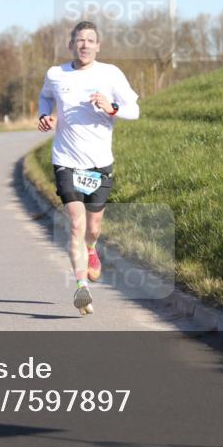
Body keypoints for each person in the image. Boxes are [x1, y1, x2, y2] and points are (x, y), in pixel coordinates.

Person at [37, 21, 140, 316]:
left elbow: (135, 109)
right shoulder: (56, 75)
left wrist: (113, 108)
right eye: (79, 40)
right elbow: (45, 96)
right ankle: (81, 286)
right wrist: (45, 115)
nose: (84, 45)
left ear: (98, 46)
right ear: (70, 45)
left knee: (92, 229)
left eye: (90, 40)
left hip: (99, 164)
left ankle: (92, 250)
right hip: (65, 160)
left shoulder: (110, 74)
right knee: (77, 224)